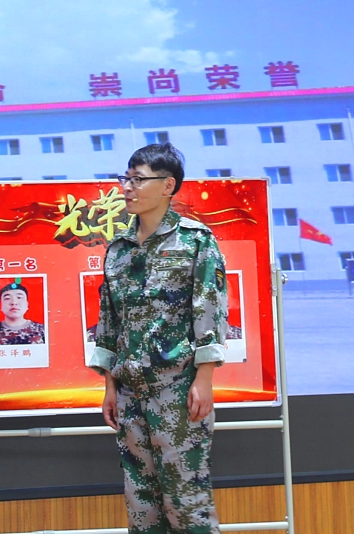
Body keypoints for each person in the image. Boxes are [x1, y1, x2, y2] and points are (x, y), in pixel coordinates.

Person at [89, 143, 227, 534]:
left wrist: (204, 378)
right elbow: (109, 321)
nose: (127, 187)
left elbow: (209, 310)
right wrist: (110, 387)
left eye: (138, 179)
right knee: (141, 506)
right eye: (126, 178)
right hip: (130, 393)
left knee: (187, 504)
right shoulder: (118, 249)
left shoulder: (195, 240)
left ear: (168, 186)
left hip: (178, 391)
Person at [0, 279, 47, 345]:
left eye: (19, 297)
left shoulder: (43, 331)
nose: (14, 302)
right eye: (7, 298)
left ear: (27, 304)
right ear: (1, 305)